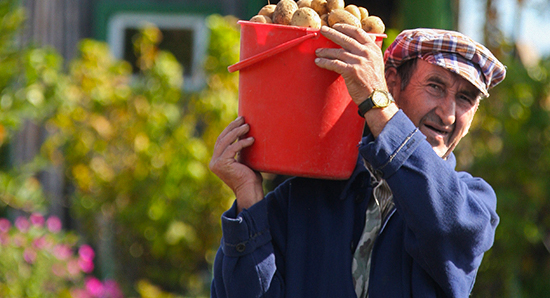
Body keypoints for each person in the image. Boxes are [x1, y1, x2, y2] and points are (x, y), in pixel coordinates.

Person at [209, 25, 506, 298]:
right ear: (392, 84)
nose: (449, 114)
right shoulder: (305, 195)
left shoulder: (473, 205)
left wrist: (375, 102)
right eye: (435, 87)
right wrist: (248, 197)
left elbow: (441, 221)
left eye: (466, 98)